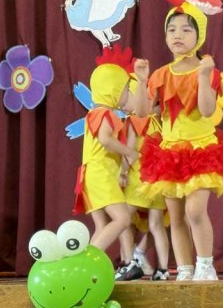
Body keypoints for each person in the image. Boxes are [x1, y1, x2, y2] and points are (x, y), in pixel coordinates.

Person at [133, 0, 223, 281]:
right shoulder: (160, 74)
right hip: (170, 151)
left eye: (185, 29)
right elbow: (142, 112)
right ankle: (184, 268)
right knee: (176, 215)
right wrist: (141, 81)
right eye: (171, 29)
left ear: (199, 35)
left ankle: (205, 264)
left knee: (195, 211)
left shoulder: (207, 70)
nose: (177, 35)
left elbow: (207, 110)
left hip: (202, 149)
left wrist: (205, 77)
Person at [72, 44, 141, 281]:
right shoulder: (105, 114)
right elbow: (105, 139)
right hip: (99, 174)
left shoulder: (95, 113)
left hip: (92, 175)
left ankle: (86, 271)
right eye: (125, 90)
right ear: (113, 90)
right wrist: (130, 153)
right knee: (122, 219)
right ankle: (83, 264)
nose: (126, 95)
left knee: (102, 226)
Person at [118, 100, 171, 281]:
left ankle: (129, 263)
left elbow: (131, 151)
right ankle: (163, 270)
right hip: (158, 180)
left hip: (138, 179)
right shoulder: (158, 122)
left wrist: (123, 171)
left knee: (123, 221)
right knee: (156, 225)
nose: (123, 104)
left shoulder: (135, 120)